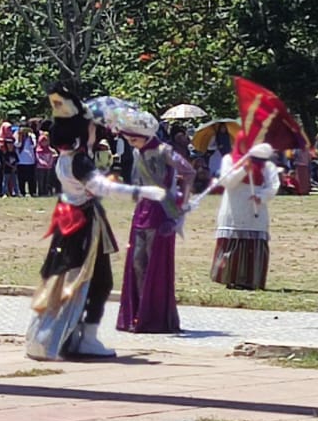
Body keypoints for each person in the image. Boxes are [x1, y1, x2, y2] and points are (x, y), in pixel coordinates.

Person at [25, 85, 166, 360]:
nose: (95, 131)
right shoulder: (79, 162)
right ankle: (81, 338)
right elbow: (103, 188)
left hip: (74, 224)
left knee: (78, 281)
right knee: (96, 281)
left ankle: (71, 337)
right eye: (90, 128)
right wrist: (144, 192)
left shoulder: (66, 160)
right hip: (82, 228)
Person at [115, 113, 194, 335]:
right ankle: (138, 312)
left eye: (134, 137)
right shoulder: (137, 152)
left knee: (153, 264)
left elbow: (189, 171)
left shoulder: (164, 151)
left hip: (162, 211)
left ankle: (154, 316)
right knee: (137, 262)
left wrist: (182, 204)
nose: (131, 142)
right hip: (142, 210)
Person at [211, 142, 278, 290]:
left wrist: (261, 196)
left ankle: (252, 280)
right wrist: (243, 170)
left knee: (253, 245)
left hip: (255, 210)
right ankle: (230, 277)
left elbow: (273, 185)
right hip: (234, 207)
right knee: (233, 244)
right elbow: (227, 182)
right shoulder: (229, 160)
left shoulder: (268, 166)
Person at [17, 122, 37, 197]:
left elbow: (33, 145)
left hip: (30, 160)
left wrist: (29, 136)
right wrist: (20, 137)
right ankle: (22, 192)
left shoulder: (32, 136)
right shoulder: (17, 134)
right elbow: (17, 145)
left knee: (31, 178)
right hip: (20, 160)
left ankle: (32, 192)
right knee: (21, 178)